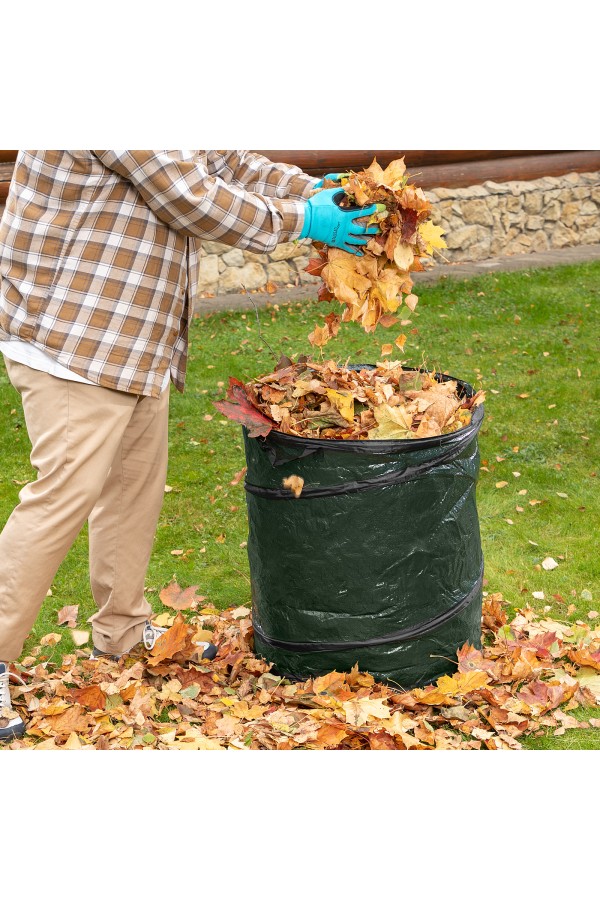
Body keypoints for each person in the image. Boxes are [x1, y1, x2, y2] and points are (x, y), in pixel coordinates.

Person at [0, 150, 378, 740]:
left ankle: (122, 631)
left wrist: (314, 190)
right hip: (72, 337)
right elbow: (191, 195)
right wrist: (304, 219)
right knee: (59, 502)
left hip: (128, 338)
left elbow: (221, 159)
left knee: (132, 493)